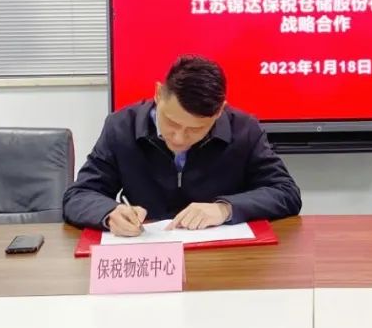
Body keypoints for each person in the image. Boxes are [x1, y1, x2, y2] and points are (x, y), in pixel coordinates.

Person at [63, 54, 302, 236]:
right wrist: (109, 212)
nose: (179, 138)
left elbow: (286, 192)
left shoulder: (244, 130)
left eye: (196, 129)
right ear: (158, 94)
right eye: (171, 122)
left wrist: (225, 209)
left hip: (220, 259)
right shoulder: (121, 127)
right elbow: (79, 195)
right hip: (149, 255)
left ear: (219, 111)